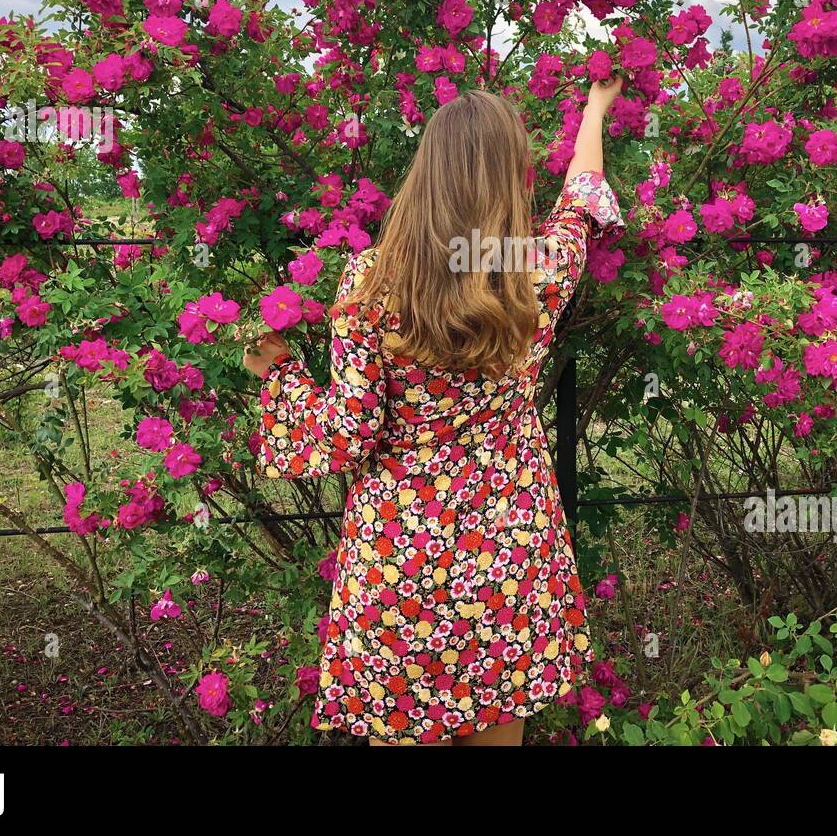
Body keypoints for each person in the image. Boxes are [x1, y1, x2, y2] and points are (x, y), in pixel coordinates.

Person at [243, 78, 624, 745]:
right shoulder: (533, 271)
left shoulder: (372, 281)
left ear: (428, 174)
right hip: (507, 560)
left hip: (399, 570)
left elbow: (345, 433)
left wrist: (278, 375)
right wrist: (596, 109)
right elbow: (580, 205)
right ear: (508, 180)